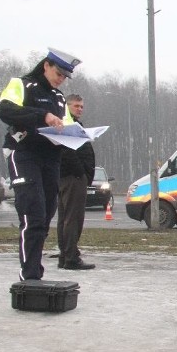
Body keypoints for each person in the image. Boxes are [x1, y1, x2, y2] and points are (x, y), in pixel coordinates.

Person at [0, 47, 81, 281]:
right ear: (46, 65)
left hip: (50, 157)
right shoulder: (22, 85)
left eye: (65, 76)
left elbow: (64, 126)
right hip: (24, 153)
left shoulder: (58, 97)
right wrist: (42, 116)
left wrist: (77, 135)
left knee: (45, 215)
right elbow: (5, 110)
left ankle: (35, 270)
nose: (61, 79)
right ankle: (30, 275)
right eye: (58, 73)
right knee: (32, 213)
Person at [57, 94, 96, 270]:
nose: (80, 109)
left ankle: (65, 255)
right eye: (76, 106)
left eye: (81, 106)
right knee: (73, 218)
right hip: (73, 177)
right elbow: (67, 151)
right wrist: (81, 171)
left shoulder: (71, 124)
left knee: (65, 218)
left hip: (68, 176)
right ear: (67, 106)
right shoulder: (67, 125)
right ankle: (70, 257)